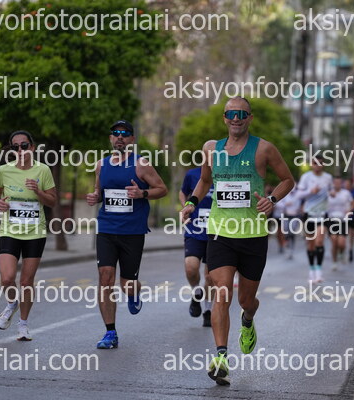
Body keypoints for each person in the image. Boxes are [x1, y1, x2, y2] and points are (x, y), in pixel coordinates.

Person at [180, 97, 294, 385]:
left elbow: (287, 180)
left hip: (253, 235)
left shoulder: (264, 149)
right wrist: (192, 202)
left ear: (250, 118)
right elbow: (205, 181)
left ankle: (248, 319)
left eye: (242, 114)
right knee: (221, 293)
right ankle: (221, 357)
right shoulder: (211, 149)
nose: (236, 118)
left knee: (245, 300)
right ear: (224, 117)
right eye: (231, 113)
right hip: (220, 233)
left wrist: (271, 200)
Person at [86, 120, 167, 349]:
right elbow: (99, 191)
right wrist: (95, 197)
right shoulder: (101, 165)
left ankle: (134, 292)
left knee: (127, 284)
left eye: (125, 133)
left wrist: (142, 193)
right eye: (116, 133)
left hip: (132, 231)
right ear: (111, 138)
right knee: (105, 277)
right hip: (106, 228)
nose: (120, 136)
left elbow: (162, 189)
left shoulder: (141, 164)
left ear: (132, 139)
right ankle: (110, 332)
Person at [0, 131, 56, 340]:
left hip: (34, 232)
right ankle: (12, 303)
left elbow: (52, 201)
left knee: (27, 282)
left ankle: (23, 325)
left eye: (24, 145)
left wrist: (38, 191)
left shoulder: (43, 170)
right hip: (10, 230)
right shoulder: (4, 170)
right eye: (15, 147)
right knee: (7, 278)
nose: (20, 150)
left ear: (32, 147)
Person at [179, 167, 214, 327]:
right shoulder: (193, 174)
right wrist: (185, 207)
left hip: (217, 232)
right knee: (191, 268)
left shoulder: (226, 173)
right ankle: (196, 292)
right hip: (195, 229)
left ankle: (208, 310)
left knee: (210, 277)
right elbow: (182, 192)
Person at [296, 156, 333, 283]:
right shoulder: (306, 177)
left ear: (323, 164)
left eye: (320, 163)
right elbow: (298, 195)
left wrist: (332, 194)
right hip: (309, 213)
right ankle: (311, 270)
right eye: (315, 163)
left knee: (319, 241)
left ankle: (319, 271)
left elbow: (331, 191)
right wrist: (311, 191)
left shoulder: (328, 177)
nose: (317, 165)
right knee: (311, 244)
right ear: (311, 164)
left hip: (322, 214)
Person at [326, 178, 354, 270]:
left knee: (341, 243)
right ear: (333, 183)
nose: (337, 184)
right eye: (335, 183)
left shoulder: (346, 193)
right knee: (334, 241)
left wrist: (349, 210)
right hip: (331, 219)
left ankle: (342, 252)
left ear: (341, 183)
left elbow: (353, 203)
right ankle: (334, 262)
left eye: (339, 182)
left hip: (343, 220)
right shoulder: (328, 193)